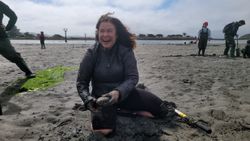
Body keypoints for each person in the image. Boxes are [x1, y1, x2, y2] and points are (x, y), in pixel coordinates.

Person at [76, 13, 177, 136]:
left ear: (116, 34)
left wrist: (118, 92)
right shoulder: (91, 53)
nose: (105, 34)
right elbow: (81, 83)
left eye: (109, 31)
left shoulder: (125, 50)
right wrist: (88, 100)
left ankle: (125, 110)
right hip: (102, 99)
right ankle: (122, 111)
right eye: (102, 31)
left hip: (125, 94)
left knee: (161, 110)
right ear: (97, 33)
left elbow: (132, 77)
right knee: (104, 132)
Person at [0, 1, 35, 78]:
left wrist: (7, 28)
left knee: (14, 55)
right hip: (1, 36)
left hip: (1, 37)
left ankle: (28, 72)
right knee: (14, 56)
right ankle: (28, 72)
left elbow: (13, 16)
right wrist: (7, 28)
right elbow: (13, 16)